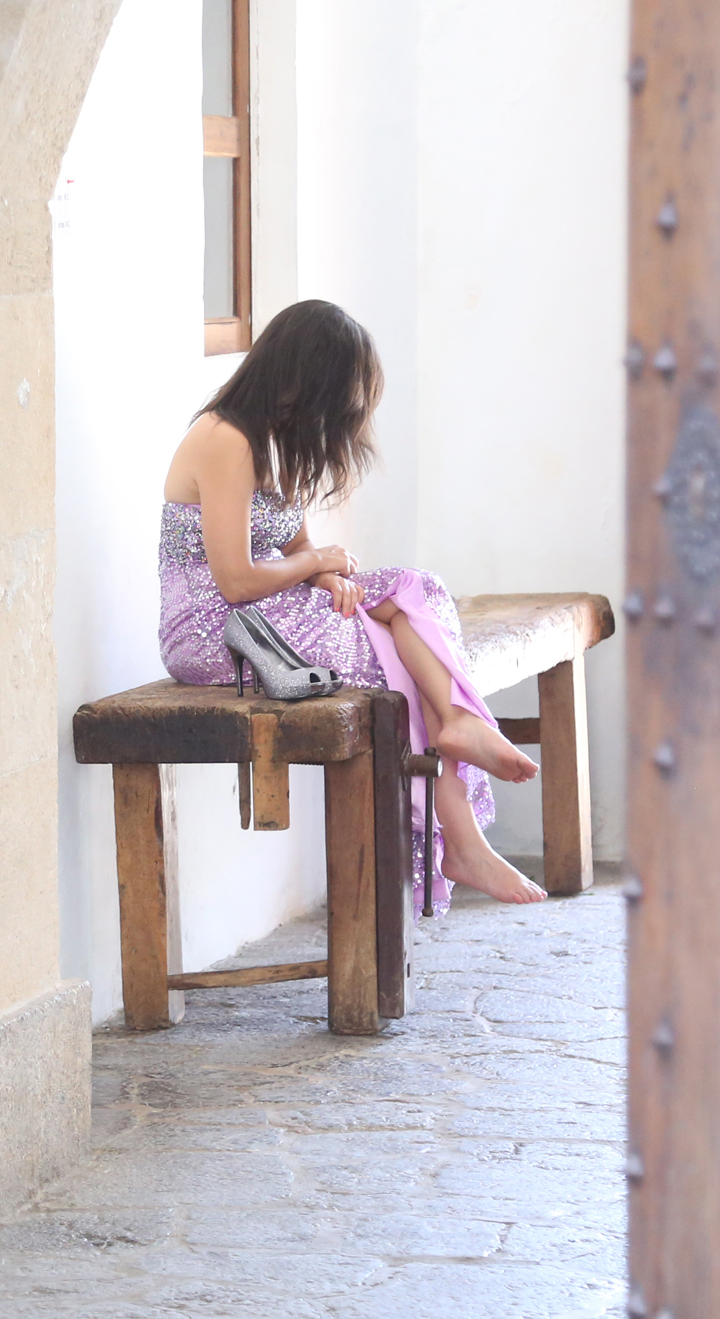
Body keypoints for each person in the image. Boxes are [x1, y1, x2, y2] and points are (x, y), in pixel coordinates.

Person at [158, 299, 545, 909]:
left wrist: (325, 580)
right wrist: (315, 567)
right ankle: (459, 805)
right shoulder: (224, 439)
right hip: (216, 632)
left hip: (274, 617)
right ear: (304, 378)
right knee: (397, 643)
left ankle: (458, 751)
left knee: (418, 591)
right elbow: (233, 582)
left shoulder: (271, 444)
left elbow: (299, 545)